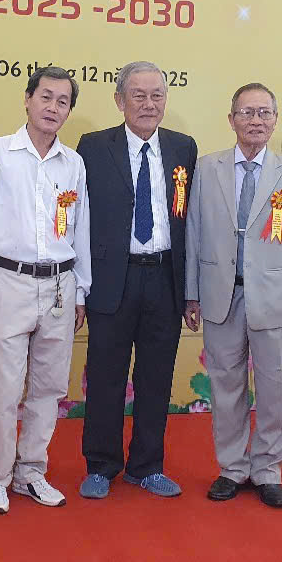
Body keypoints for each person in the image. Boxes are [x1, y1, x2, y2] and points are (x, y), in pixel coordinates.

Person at [183, 83, 282, 509]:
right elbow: (193, 235)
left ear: (275, 120)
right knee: (225, 386)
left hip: (275, 299)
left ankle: (268, 470)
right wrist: (191, 293)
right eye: (246, 112)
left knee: (274, 389)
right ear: (231, 120)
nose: (255, 120)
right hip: (220, 297)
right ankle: (232, 468)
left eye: (264, 112)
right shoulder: (207, 169)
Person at [0, 66, 91, 514]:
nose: (53, 107)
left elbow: (81, 230)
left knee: (49, 389)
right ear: (27, 99)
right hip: (8, 283)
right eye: (46, 97)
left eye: (63, 101)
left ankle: (31, 472)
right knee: (3, 391)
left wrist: (81, 291)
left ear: (69, 110)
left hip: (60, 285)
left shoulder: (73, 163)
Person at [75, 61, 197, 499]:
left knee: (156, 378)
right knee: (105, 376)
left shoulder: (183, 148)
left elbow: (190, 221)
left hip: (165, 279)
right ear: (119, 100)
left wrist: (191, 289)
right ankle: (101, 465)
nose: (148, 104)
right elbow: (78, 217)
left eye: (157, 95)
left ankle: (147, 466)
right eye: (138, 95)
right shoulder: (93, 147)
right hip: (113, 279)